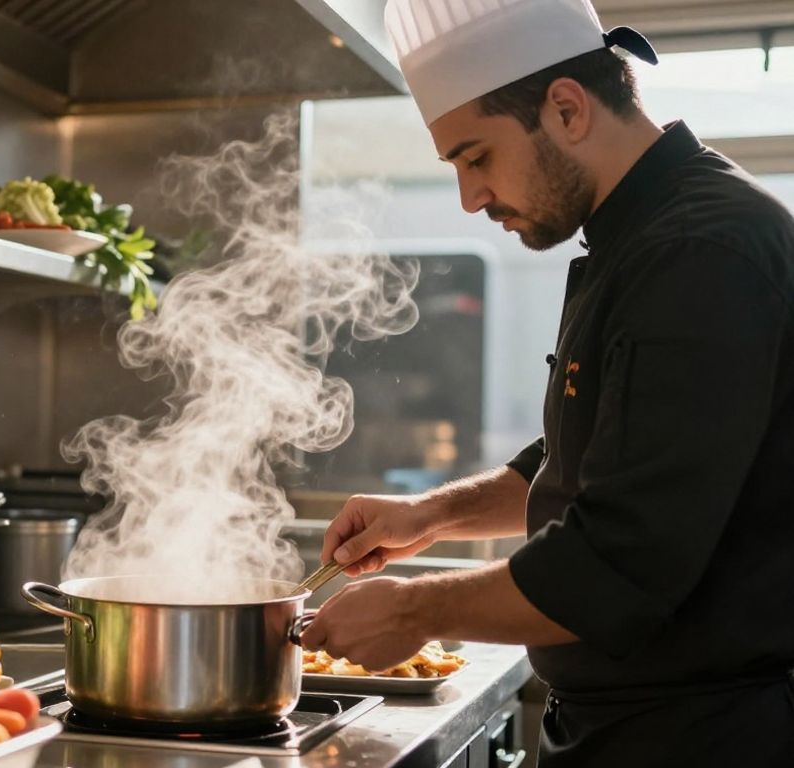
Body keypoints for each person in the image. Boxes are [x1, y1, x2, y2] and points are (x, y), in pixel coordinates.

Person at [298, 1, 794, 765]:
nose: (470, 197)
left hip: (704, 737)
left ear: (566, 108)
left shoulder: (702, 250)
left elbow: (616, 562)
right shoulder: (642, 237)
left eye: (477, 158)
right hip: (634, 729)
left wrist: (411, 611)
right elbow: (595, 456)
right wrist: (424, 517)